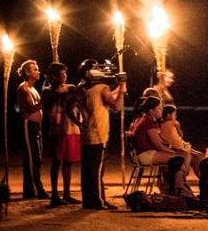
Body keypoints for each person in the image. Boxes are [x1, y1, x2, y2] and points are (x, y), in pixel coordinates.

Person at [76, 58, 127, 210]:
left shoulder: (80, 88)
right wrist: (122, 90)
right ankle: (98, 201)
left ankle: (89, 200)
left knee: (87, 171)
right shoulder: (101, 88)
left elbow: (100, 99)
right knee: (97, 170)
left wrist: (79, 122)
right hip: (98, 133)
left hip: (86, 132)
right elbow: (116, 106)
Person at [40, 62, 81, 207]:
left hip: (71, 128)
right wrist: (60, 94)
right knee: (56, 161)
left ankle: (67, 193)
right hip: (57, 129)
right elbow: (45, 106)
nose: (64, 77)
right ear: (53, 76)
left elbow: (76, 102)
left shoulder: (71, 88)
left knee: (69, 162)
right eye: (61, 74)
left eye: (65, 74)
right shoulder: (47, 91)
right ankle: (55, 194)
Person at [16, 59, 48, 199]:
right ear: (27, 72)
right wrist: (45, 101)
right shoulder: (23, 89)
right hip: (28, 125)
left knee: (37, 157)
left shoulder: (33, 88)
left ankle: (34, 188)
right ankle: (34, 190)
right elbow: (29, 108)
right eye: (35, 69)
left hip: (36, 126)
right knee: (32, 158)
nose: (38, 71)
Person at [131, 97, 190, 171]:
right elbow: (159, 146)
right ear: (151, 111)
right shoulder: (148, 122)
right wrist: (173, 152)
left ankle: (178, 180)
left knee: (183, 153)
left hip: (150, 152)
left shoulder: (150, 120)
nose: (162, 110)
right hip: (145, 155)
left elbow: (160, 142)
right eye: (159, 108)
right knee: (178, 159)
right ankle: (177, 181)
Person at [160, 105, 201, 178]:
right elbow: (181, 135)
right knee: (197, 157)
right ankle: (183, 177)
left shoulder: (161, 124)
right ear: (168, 115)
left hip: (178, 146)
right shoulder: (173, 123)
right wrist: (178, 127)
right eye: (174, 114)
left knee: (198, 155)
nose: (175, 116)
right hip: (176, 148)